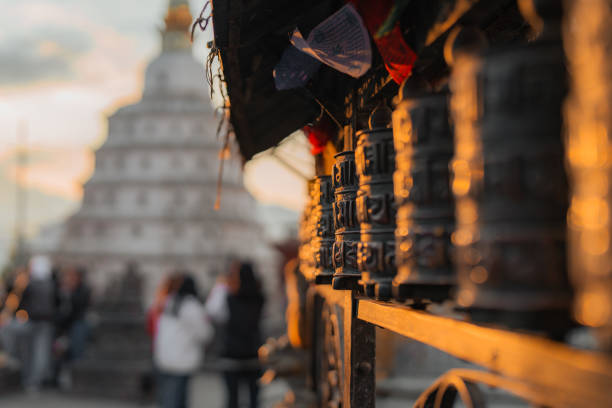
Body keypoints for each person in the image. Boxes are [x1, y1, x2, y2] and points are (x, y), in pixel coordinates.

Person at [207, 261, 265, 408]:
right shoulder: (259, 298)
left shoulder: (228, 297)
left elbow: (212, 312)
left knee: (232, 399)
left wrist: (221, 286)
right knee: (254, 400)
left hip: (231, 354)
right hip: (253, 353)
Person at [154, 274, 212, 408]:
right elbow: (205, 333)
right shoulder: (191, 307)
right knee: (176, 400)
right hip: (181, 359)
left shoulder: (169, 301)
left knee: (168, 397)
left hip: (164, 357)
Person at [19, 255, 58, 392]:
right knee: (40, 352)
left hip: (33, 321)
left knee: (31, 351)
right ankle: (37, 380)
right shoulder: (51, 285)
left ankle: (31, 380)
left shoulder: (31, 284)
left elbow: (22, 303)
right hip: (45, 322)